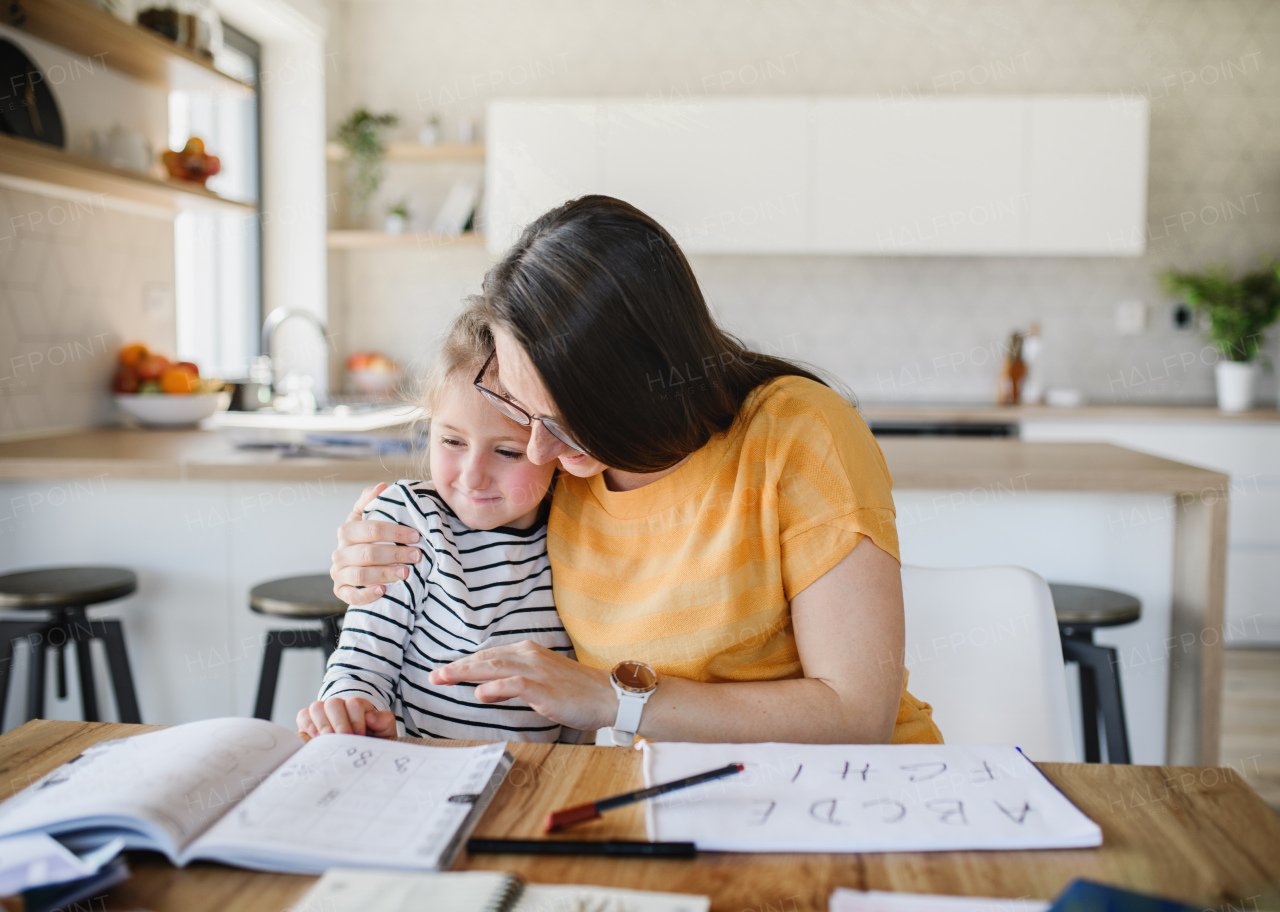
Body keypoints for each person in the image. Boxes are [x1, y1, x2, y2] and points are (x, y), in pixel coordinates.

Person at [327, 195, 942, 746]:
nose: (538, 451)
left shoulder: (800, 434)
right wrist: (376, 542)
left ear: (642, 384)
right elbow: (467, 518)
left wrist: (612, 698)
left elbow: (855, 717)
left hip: (845, 794)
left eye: (566, 421)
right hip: (657, 794)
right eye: (523, 412)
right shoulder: (567, 461)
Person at [297, 309, 577, 741]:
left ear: (557, 446)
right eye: (452, 441)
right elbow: (362, 661)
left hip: (542, 781)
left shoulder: (579, 527)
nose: (472, 476)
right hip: (425, 772)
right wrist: (350, 709)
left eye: (507, 452)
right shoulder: (409, 523)